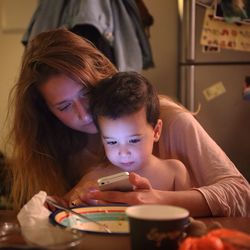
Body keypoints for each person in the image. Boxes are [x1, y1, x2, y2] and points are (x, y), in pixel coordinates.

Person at [6, 28, 249, 217]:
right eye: (65, 106)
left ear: (102, 75)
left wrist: (162, 200)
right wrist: (63, 203)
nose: (84, 113)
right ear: (47, 112)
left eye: (87, 93)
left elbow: (241, 194)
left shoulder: (169, 119)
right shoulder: (61, 149)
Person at [66, 71, 191, 204]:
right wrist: (79, 199)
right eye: (112, 142)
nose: (123, 152)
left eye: (133, 140)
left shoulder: (174, 172)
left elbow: (189, 217)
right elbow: (63, 204)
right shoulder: (94, 178)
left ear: (156, 131)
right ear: (102, 139)